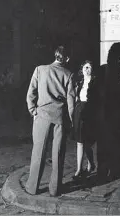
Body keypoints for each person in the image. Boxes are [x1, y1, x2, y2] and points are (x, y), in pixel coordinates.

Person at [25, 46, 75, 197]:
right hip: (59, 118)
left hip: (42, 116)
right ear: (66, 59)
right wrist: (71, 122)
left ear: (55, 55)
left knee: (38, 152)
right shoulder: (69, 74)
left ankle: (32, 187)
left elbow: (31, 93)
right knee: (58, 153)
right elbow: (71, 102)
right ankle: (55, 189)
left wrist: (33, 110)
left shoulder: (40, 70)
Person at [95, 42, 120, 182]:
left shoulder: (101, 70)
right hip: (117, 114)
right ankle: (115, 170)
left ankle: (102, 171)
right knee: (116, 143)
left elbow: (93, 93)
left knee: (103, 143)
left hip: (102, 113)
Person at [72, 60, 96, 180]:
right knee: (79, 141)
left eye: (89, 67)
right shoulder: (79, 82)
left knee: (87, 143)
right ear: (82, 70)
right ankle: (79, 169)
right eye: (85, 67)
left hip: (90, 112)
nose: (87, 70)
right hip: (79, 111)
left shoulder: (95, 82)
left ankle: (91, 163)